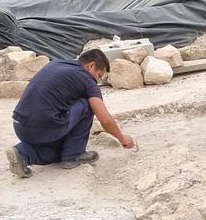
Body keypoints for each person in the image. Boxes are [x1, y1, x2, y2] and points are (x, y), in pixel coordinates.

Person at [8, 48, 137, 178]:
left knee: (58, 152)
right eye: (99, 75)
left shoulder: (56, 63)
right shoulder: (86, 80)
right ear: (91, 66)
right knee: (88, 104)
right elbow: (104, 119)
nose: (97, 81)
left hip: (20, 126)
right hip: (43, 128)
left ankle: (22, 153)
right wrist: (122, 138)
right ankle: (74, 154)